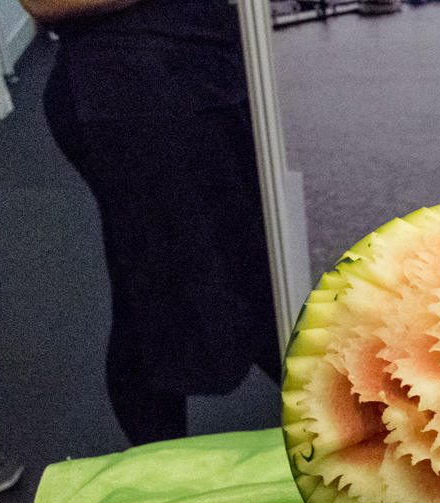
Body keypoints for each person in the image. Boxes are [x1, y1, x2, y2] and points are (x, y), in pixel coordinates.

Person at [23, 0, 281, 447]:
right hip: (131, 90)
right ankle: (352, 431)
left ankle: (348, 427)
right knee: (179, 291)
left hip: (210, 67)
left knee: (258, 267)